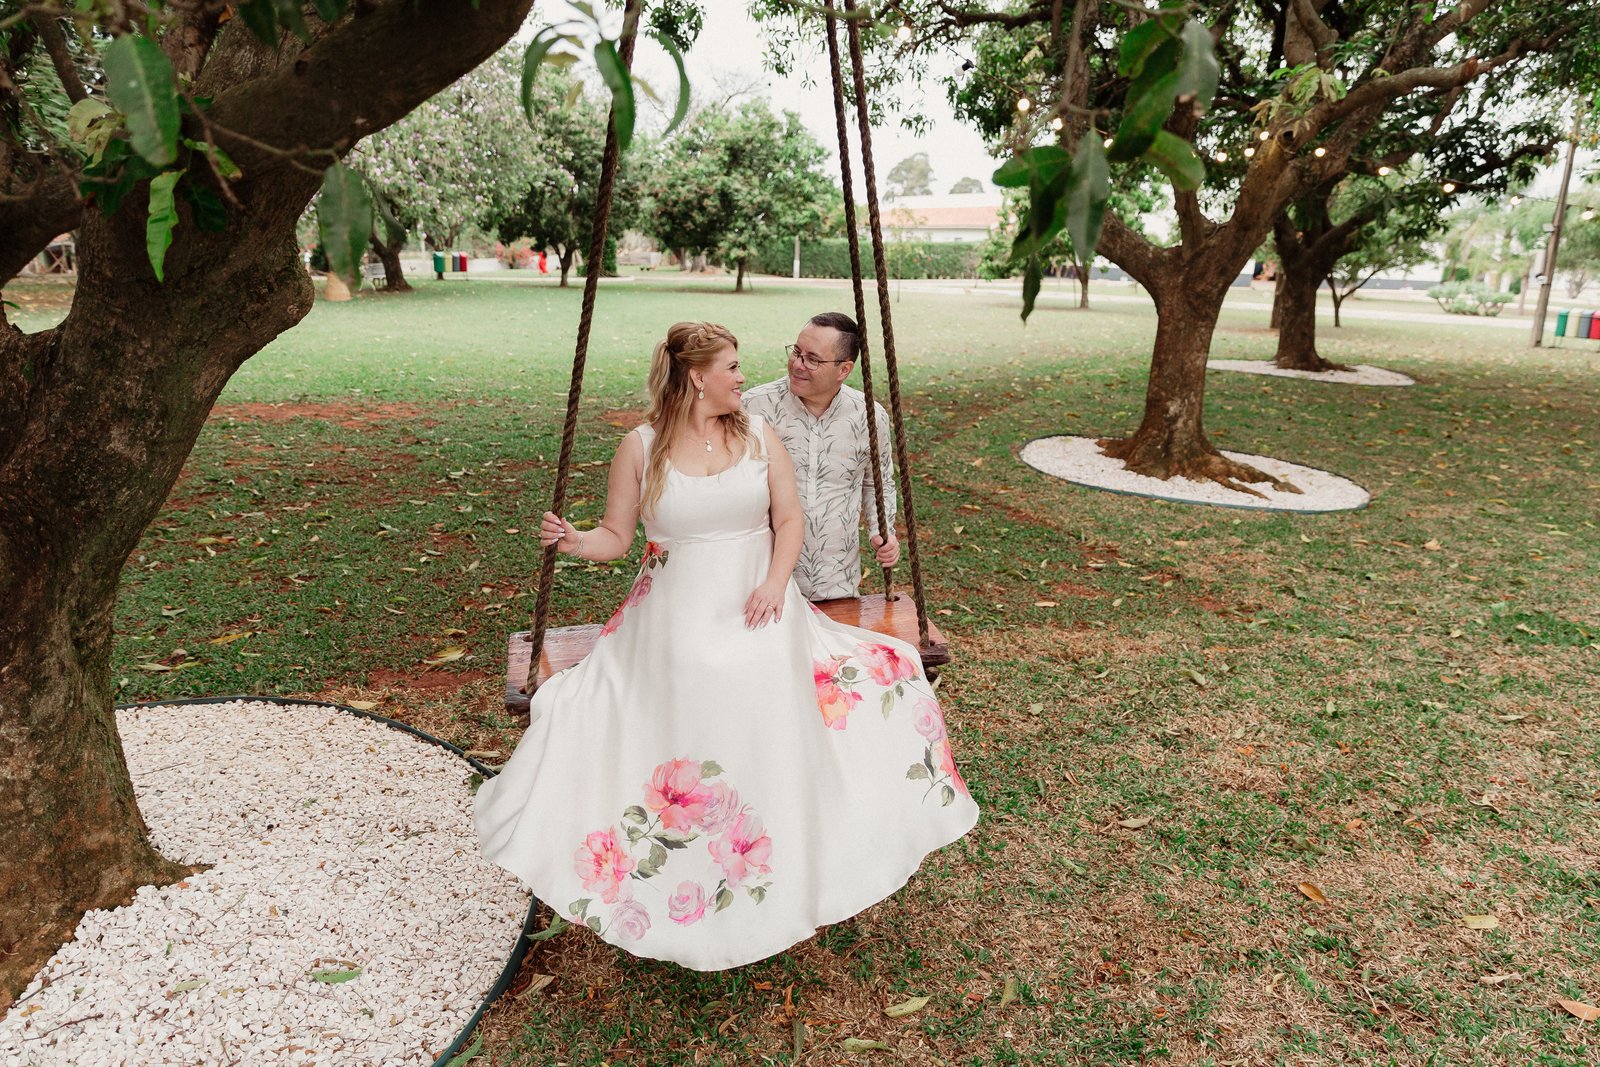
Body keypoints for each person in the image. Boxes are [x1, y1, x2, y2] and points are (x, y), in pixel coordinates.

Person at [475, 321, 977, 971]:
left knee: (785, 666)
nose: (744, 377)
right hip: (674, 606)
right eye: (732, 367)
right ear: (697, 378)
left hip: (759, 598)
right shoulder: (641, 447)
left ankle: (786, 832)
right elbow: (616, 537)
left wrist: (774, 582)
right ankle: (691, 842)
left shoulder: (759, 434)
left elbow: (789, 519)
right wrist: (573, 540)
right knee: (696, 670)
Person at [741, 312, 899, 602]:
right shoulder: (753, 407)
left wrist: (883, 530)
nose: (797, 364)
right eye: (796, 352)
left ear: (844, 369)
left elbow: (878, 483)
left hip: (837, 581)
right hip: (763, 582)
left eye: (812, 359)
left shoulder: (869, 416)